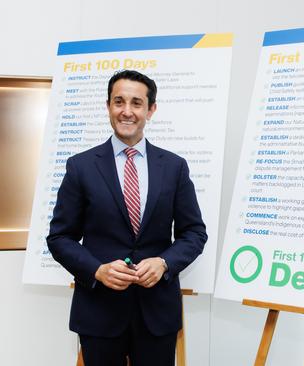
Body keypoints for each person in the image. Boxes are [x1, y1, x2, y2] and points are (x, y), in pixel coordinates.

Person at [47, 69, 207, 366]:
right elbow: (59, 237)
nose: (127, 111)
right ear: (108, 106)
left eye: (136, 103)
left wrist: (164, 263)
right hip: (99, 313)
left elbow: (194, 233)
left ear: (151, 110)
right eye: (119, 101)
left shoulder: (174, 167)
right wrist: (97, 270)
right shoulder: (80, 167)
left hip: (156, 314)